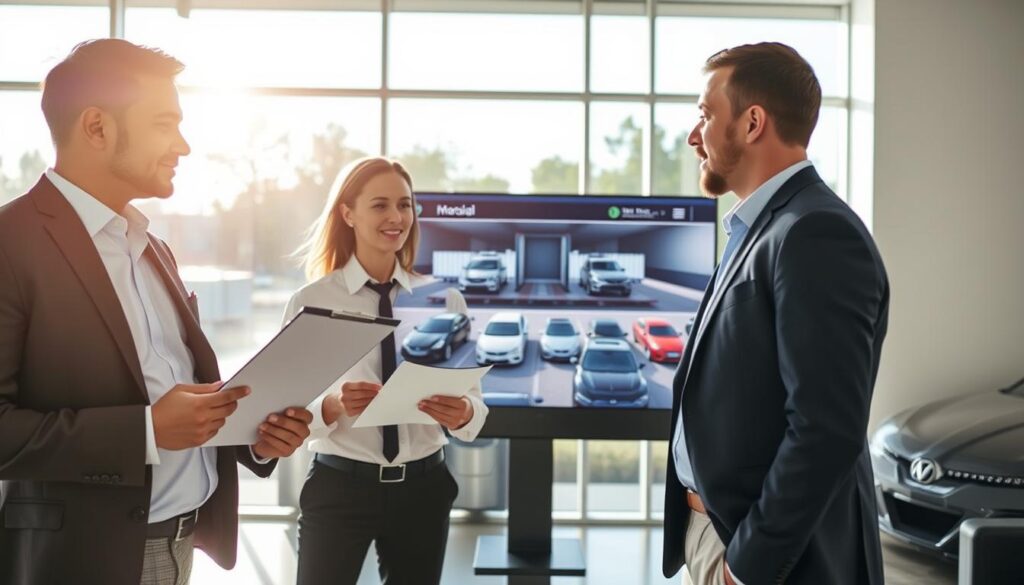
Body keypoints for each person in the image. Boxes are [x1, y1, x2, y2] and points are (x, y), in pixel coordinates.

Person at [0, 39, 313, 585]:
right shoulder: (10, 241)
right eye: (165, 124)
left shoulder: (152, 247)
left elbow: (175, 384)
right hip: (83, 561)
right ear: (97, 128)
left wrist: (252, 436)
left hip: (182, 542)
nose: (184, 146)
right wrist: (144, 431)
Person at [663, 42, 889, 585]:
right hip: (721, 530)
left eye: (705, 115)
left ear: (752, 122)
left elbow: (825, 429)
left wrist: (746, 567)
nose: (695, 135)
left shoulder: (815, 233)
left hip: (771, 558)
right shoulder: (759, 229)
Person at [286, 156, 489, 585]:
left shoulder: (446, 299)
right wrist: (333, 405)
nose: (396, 217)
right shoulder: (312, 301)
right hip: (340, 487)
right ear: (348, 213)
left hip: (424, 488)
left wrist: (463, 414)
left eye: (405, 205)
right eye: (380, 205)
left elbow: (476, 407)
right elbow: (284, 409)